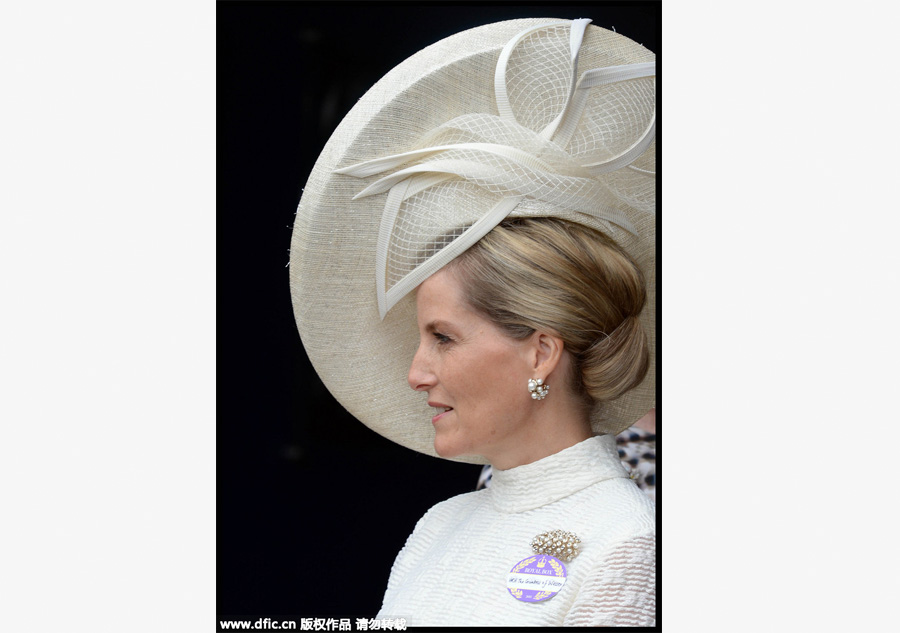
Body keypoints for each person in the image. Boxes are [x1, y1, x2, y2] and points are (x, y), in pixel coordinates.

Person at [290, 17, 656, 626]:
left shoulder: (625, 547)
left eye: (443, 338)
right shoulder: (440, 526)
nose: (415, 373)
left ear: (541, 352)